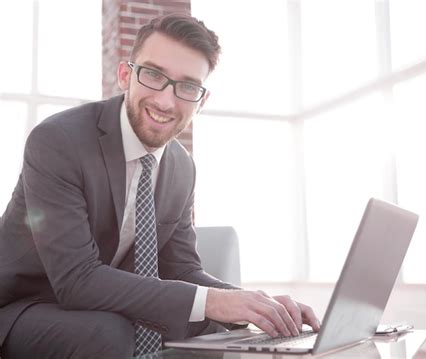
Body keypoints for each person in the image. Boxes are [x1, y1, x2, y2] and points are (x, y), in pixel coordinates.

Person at [0, 13, 319, 358]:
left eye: (187, 86)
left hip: (103, 305)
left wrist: (255, 306)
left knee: (209, 329)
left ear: (202, 100)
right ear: (126, 75)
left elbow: (181, 269)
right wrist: (216, 301)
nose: (166, 101)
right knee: (108, 333)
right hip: (22, 306)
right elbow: (77, 278)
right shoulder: (59, 141)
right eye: (153, 75)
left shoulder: (182, 168)